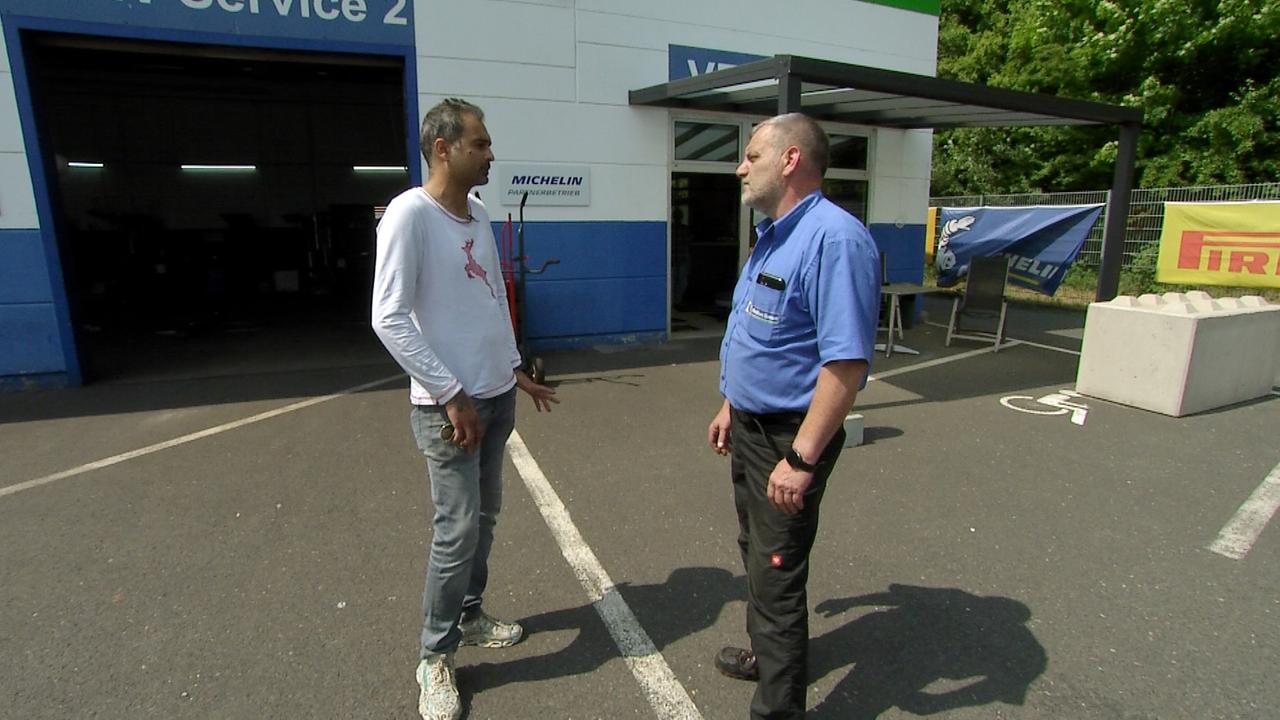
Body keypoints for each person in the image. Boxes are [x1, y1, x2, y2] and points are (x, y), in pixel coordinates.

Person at [371, 97, 559, 720]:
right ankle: (434, 658)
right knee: (456, 532)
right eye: (480, 143)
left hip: (495, 398)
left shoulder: (477, 213)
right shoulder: (408, 216)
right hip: (448, 409)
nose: (491, 153)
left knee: (486, 519)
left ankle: (470, 616)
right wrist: (451, 394)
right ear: (443, 149)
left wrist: (512, 370)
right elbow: (389, 318)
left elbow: (489, 302)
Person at [706, 113, 880, 720]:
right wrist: (732, 400)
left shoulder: (836, 239)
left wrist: (801, 459)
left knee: (778, 575)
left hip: (789, 437)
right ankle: (766, 656)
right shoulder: (775, 232)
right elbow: (761, 333)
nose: (739, 167)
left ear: (789, 160)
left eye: (751, 155)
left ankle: (778, 710)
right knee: (756, 549)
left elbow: (845, 366)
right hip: (752, 427)